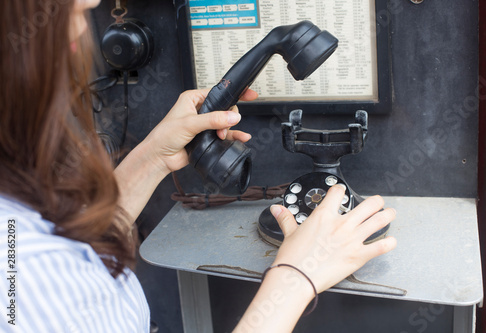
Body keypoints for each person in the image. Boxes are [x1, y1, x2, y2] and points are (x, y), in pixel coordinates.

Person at [0, 1, 397, 332]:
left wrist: (156, 154)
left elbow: (75, 255)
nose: (90, 2)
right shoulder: (24, 272)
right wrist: (297, 276)